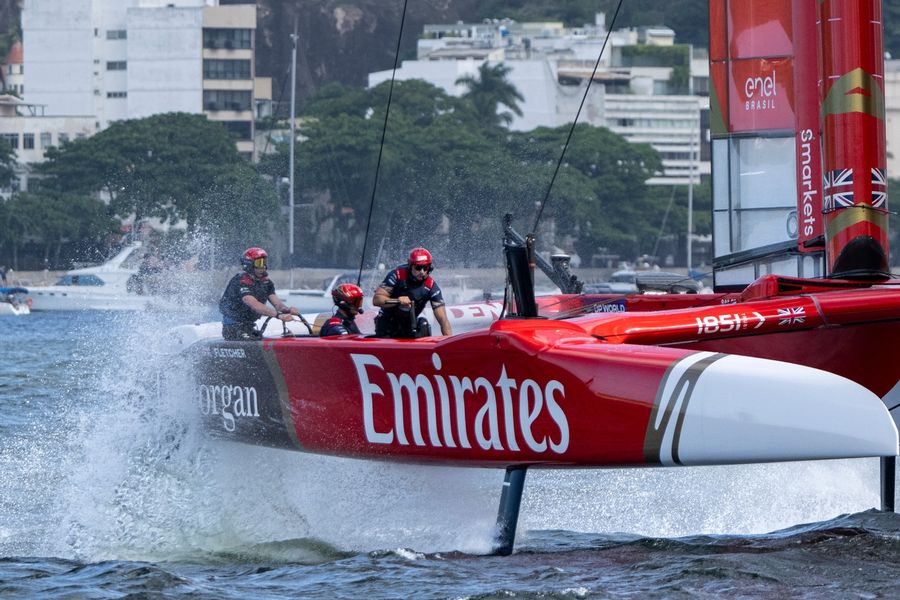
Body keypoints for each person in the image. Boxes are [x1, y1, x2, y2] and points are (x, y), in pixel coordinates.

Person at [219, 247, 299, 341]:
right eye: (259, 263)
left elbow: (278, 304)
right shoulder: (241, 282)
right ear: (249, 265)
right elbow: (254, 305)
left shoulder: (266, 283)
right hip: (232, 328)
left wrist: (287, 310)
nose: (263, 267)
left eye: (264, 263)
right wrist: (278, 315)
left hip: (248, 327)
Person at [373, 247, 452, 338]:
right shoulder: (396, 275)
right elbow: (376, 300)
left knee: (423, 324)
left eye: (425, 268)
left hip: (408, 324)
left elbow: (443, 319)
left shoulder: (431, 287)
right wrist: (398, 301)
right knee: (387, 326)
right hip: (387, 322)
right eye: (418, 268)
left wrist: (449, 341)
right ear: (411, 266)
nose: (422, 272)